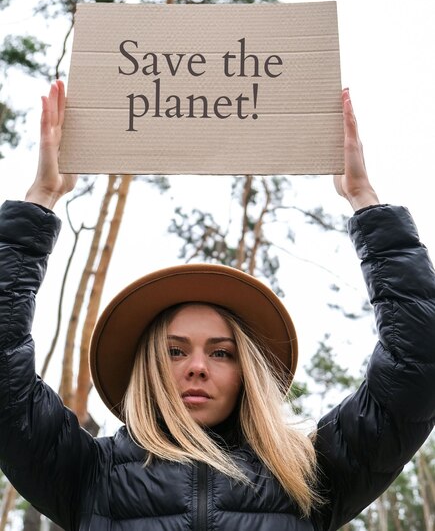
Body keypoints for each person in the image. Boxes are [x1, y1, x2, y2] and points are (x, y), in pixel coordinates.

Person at [0, 80, 434, 531]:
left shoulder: (309, 474)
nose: (198, 367)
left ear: (247, 370)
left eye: (221, 352)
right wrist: (42, 198)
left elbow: (418, 364)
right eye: (174, 350)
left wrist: (364, 200)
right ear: (148, 366)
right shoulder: (88, 475)